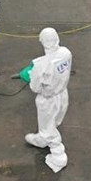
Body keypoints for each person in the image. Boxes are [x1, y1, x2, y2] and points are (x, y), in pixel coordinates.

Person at [22, 28, 72, 173]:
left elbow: (36, 87)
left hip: (48, 100)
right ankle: (42, 140)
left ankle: (58, 155)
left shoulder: (40, 65)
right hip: (63, 94)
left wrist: (30, 76)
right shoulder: (66, 53)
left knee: (47, 127)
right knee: (54, 121)